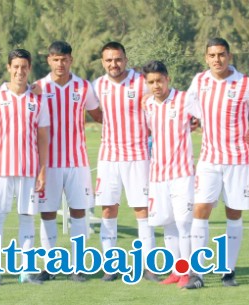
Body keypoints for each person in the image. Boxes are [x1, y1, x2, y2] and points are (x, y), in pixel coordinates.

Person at [184, 38, 249, 289]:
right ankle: (197, 272)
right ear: (206, 58)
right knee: (200, 211)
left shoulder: (244, 83)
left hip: (238, 160)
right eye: (212, 55)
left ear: (229, 56)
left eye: (221, 54)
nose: (216, 59)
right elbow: (189, 107)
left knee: (234, 213)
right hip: (209, 159)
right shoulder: (199, 81)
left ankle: (228, 270)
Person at [32, 41, 102, 282]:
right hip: (47, 164)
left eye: (64, 59)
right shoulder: (38, 87)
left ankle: (78, 266)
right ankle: (50, 265)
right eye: (55, 59)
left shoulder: (84, 87)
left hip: (77, 161)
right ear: (48, 61)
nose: (60, 63)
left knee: (79, 212)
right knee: (48, 212)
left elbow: (100, 115)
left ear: (71, 60)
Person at [0, 48, 50, 286]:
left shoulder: (37, 99)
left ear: (29, 68)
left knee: (27, 218)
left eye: (24, 67)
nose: (20, 71)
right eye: (16, 67)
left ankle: (25, 271)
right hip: (0, 170)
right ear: (8, 68)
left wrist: (42, 170)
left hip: (28, 170)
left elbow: (42, 137)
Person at [92, 41, 157, 282]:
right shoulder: (97, 85)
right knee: (108, 209)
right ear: (102, 62)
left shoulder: (141, 82)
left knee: (142, 209)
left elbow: (156, 106)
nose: (113, 64)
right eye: (108, 60)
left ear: (125, 59)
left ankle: (148, 265)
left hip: (138, 156)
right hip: (109, 158)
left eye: (117, 59)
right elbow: (95, 112)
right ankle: (111, 265)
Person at [142, 60, 197, 288]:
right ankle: (176, 270)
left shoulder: (185, 100)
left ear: (168, 79)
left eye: (159, 80)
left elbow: (207, 120)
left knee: (184, 223)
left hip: (182, 173)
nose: (156, 85)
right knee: (167, 224)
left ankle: (187, 272)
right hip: (158, 175)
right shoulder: (148, 104)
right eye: (151, 82)